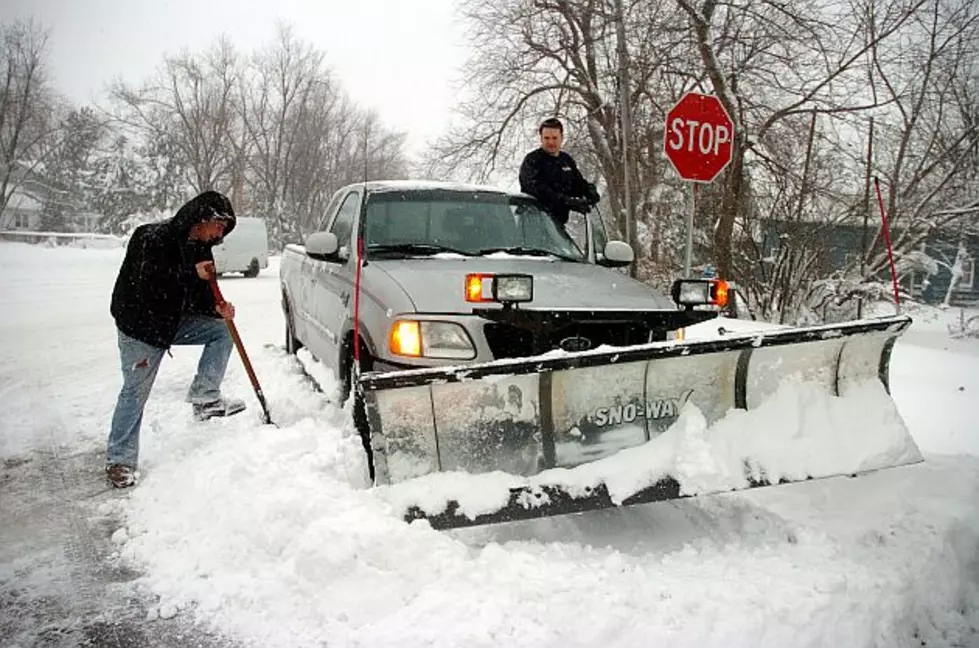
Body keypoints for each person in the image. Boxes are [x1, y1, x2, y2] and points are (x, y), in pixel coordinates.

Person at [105, 190, 246, 488]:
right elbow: (147, 284)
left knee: (221, 331)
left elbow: (197, 294)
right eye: (219, 227)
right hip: (140, 327)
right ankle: (120, 459)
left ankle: (205, 397)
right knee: (135, 391)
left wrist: (216, 307)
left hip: (172, 322)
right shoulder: (150, 237)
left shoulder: (201, 247)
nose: (220, 235)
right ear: (204, 218)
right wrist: (190, 273)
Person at [519, 117, 601, 227]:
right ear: (541, 139)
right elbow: (536, 189)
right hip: (533, 223)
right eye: (546, 138)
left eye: (554, 138)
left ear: (561, 138)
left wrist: (588, 191)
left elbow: (576, 183)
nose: (550, 142)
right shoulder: (532, 160)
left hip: (557, 226)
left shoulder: (566, 160)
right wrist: (565, 200)